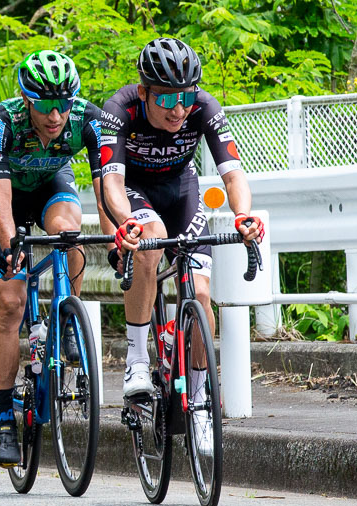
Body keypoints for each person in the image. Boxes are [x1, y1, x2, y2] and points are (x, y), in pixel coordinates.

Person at [95, 37, 264, 438]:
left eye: (185, 97)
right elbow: (111, 184)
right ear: (144, 92)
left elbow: (233, 173)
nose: (179, 109)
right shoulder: (119, 110)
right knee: (150, 239)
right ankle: (136, 359)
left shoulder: (204, 107)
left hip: (181, 190)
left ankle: (202, 406)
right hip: (132, 190)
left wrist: (242, 215)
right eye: (167, 100)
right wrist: (124, 223)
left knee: (201, 297)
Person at [0, 50, 103, 466]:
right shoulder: (3, 121)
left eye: (63, 105)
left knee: (70, 231)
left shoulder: (88, 118)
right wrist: (11, 242)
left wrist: (118, 235)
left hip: (52, 184)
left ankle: (67, 314)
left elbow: (105, 187)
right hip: (7, 196)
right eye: (46, 106)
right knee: (10, 303)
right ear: (26, 99)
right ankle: (2, 416)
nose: (56, 116)